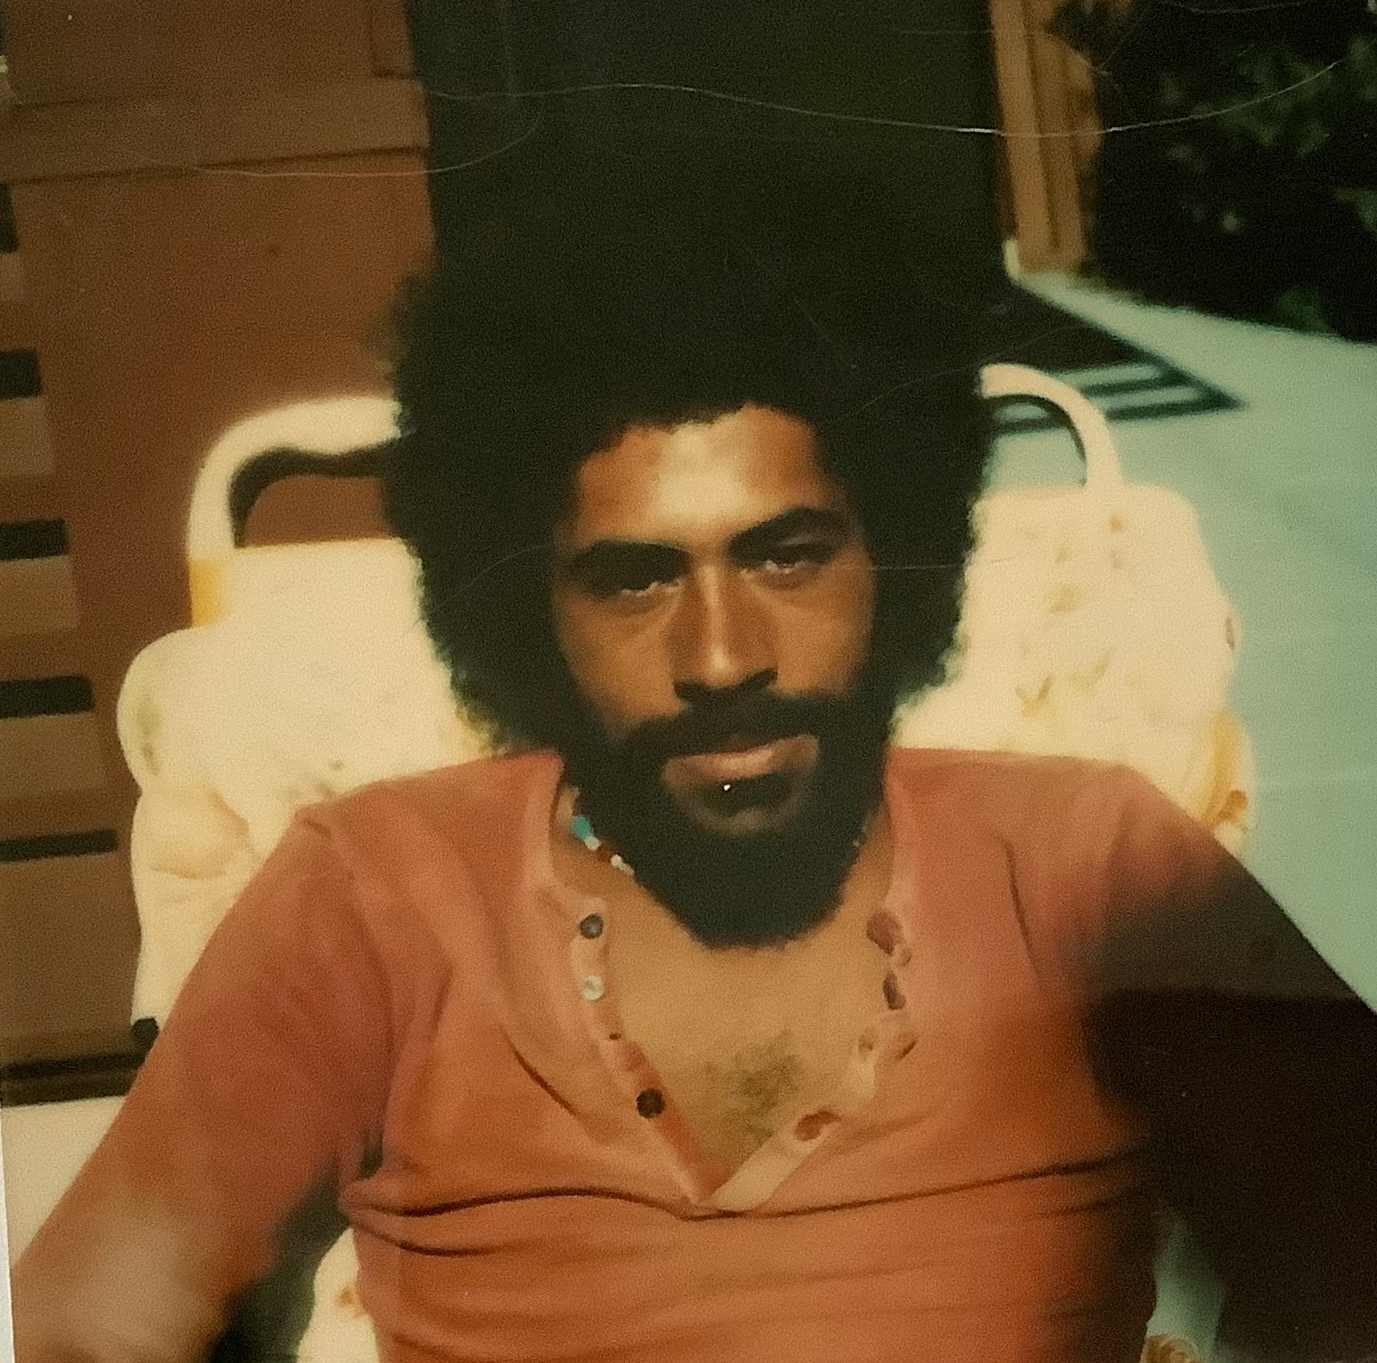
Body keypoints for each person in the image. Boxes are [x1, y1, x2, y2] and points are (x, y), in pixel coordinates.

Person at [12, 180, 1377, 1363]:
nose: (722, 656)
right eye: (633, 579)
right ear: (525, 612)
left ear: (896, 563)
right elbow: (106, 1320)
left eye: (787, 556)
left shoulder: (1084, 865)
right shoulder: (377, 896)